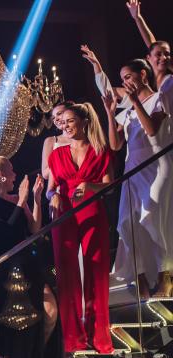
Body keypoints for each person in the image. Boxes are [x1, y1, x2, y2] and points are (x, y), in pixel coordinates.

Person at [0, 156, 57, 358]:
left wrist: (35, 199)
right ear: (1, 175)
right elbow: (5, 234)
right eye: (11, 171)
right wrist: (21, 200)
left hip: (29, 265)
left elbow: (34, 229)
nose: (15, 175)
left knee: (46, 312)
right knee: (12, 323)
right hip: (7, 269)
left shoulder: (17, 199)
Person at [47, 103, 114, 355]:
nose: (65, 126)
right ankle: (74, 338)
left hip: (92, 210)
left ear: (84, 122)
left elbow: (110, 185)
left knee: (96, 270)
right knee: (67, 273)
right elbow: (50, 189)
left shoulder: (100, 150)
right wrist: (53, 195)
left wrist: (90, 186)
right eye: (62, 122)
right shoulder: (57, 155)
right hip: (64, 213)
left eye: (70, 121)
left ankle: (99, 337)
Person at [103, 59, 172, 297]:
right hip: (132, 169)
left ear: (143, 74)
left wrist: (134, 102)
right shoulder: (129, 111)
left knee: (152, 218)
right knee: (127, 223)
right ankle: (141, 279)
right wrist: (110, 113)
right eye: (122, 79)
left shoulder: (160, 99)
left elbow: (151, 130)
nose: (125, 82)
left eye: (128, 77)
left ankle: (165, 278)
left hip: (155, 166)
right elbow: (115, 145)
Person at [41, 102, 74, 182]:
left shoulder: (83, 137)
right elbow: (45, 173)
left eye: (59, 114)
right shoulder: (51, 141)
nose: (56, 119)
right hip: (63, 186)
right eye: (53, 118)